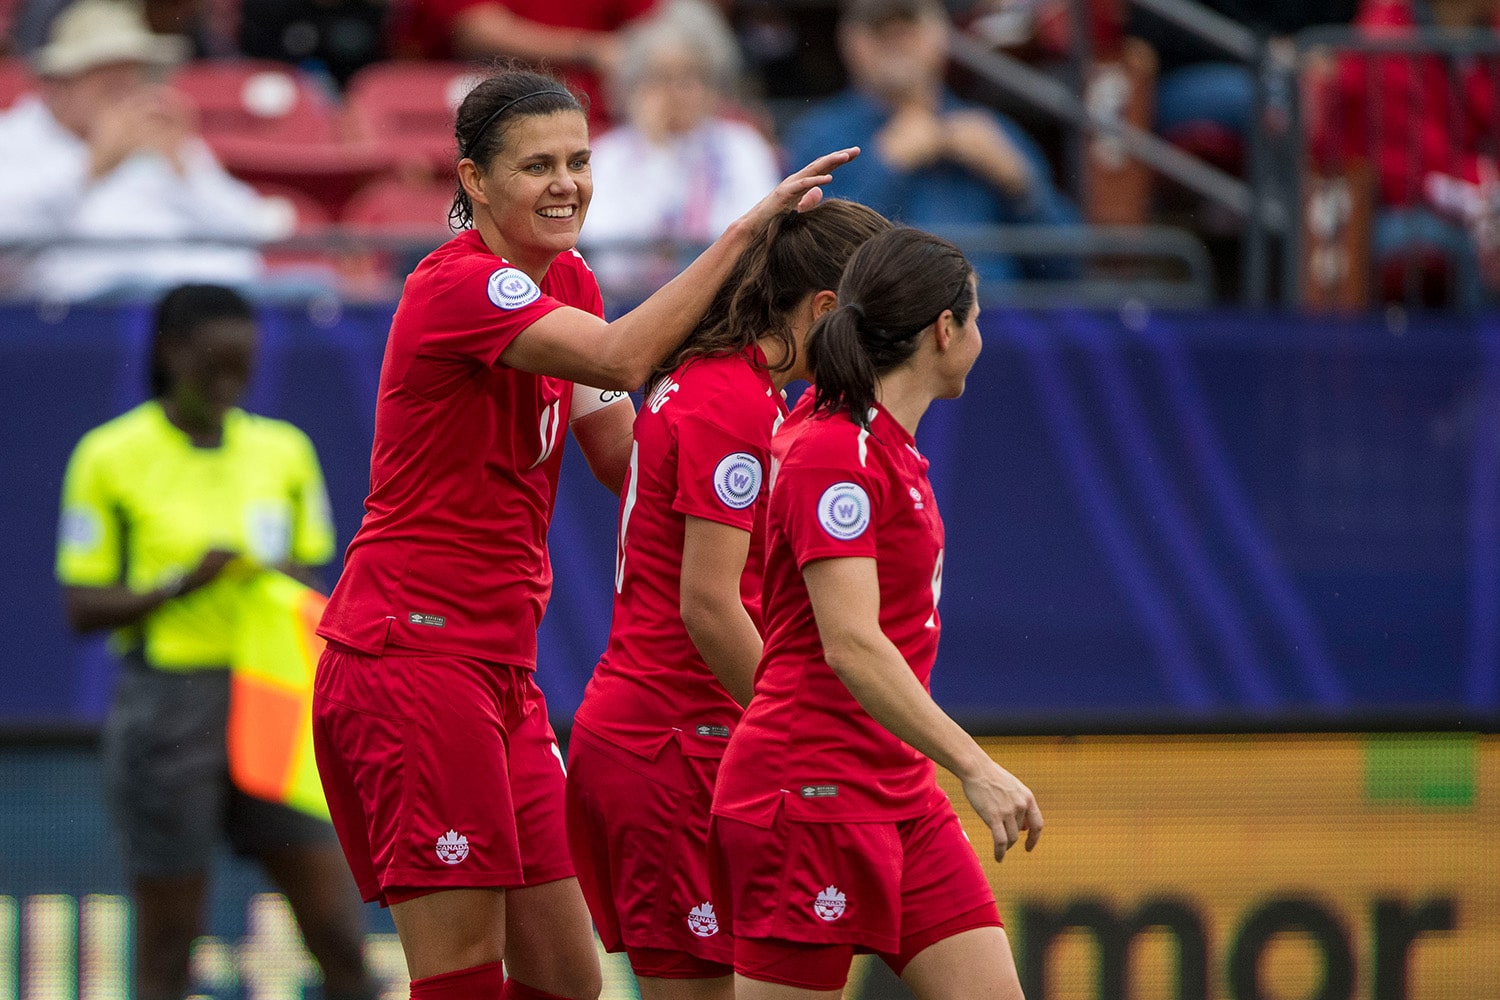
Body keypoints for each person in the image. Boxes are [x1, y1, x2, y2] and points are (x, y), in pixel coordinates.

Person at [309, 66, 856, 1000]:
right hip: (412, 654)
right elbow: (621, 357)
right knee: (465, 979)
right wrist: (748, 231)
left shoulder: (566, 278)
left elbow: (622, 456)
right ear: (474, 182)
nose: (567, 182)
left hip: (499, 668)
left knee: (569, 980)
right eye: (536, 166)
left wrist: (744, 446)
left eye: (579, 159)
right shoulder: (458, 287)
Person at [565, 198, 891, 1000]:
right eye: (871, 323)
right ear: (822, 310)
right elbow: (708, 606)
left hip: (677, 738)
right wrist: (802, 737)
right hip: (672, 747)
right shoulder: (731, 399)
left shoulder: (721, 382)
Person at [708, 227, 1043, 999]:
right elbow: (851, 646)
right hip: (809, 794)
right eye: (978, 318)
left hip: (898, 792)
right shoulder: (835, 451)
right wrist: (976, 765)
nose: (981, 337)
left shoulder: (876, 444)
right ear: (944, 331)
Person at [55, 284, 376, 1000]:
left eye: (243, 367)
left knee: (338, 934)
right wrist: (181, 583)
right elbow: (82, 606)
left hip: (276, 700)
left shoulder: (283, 450)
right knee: (170, 947)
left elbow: (311, 573)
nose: (229, 384)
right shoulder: (108, 456)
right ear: (170, 354)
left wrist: (271, 575)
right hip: (169, 706)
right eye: (213, 366)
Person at [782, 0, 1078, 286]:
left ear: (942, 34)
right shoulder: (817, 139)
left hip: (997, 320)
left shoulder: (993, 132)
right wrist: (884, 167)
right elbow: (805, 267)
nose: (896, 44)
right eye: (879, 33)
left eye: (908, 29)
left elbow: (1070, 267)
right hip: (878, 326)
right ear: (848, 41)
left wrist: (1021, 186)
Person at [0, 0, 281, 301]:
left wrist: (184, 169)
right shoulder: (14, 137)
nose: (125, 95)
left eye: (132, 79)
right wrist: (92, 166)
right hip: (89, 304)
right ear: (61, 84)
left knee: (310, 291)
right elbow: (8, 233)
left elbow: (251, 229)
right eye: (108, 83)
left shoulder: (160, 135)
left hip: (198, 295)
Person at [582, 0, 781, 301]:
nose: (675, 92)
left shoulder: (742, 145)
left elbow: (757, 235)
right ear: (632, 88)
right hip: (630, 309)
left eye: (690, 77)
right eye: (659, 78)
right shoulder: (607, 156)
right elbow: (610, 260)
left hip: (729, 304)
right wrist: (657, 150)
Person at [388, 0, 659, 133]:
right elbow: (477, 30)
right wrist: (587, 49)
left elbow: (653, 27)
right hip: (491, 120)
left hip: (596, 124)